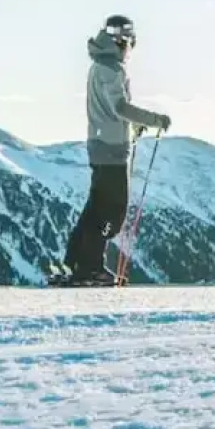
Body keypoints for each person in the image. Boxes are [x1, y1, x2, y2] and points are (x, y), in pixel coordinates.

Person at [61, 14, 171, 284]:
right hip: (110, 150)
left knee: (96, 208)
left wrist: (131, 128)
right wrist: (155, 120)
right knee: (112, 212)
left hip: (101, 145)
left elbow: (111, 111)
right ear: (123, 41)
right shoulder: (111, 69)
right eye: (129, 42)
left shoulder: (100, 66)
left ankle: (74, 263)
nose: (130, 49)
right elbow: (119, 107)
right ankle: (90, 268)